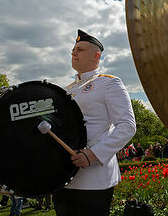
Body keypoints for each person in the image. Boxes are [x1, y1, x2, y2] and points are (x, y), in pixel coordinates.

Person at [52, 29, 136, 216]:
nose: (73, 53)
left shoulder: (109, 83)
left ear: (96, 56)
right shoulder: (66, 90)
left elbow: (127, 126)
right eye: (73, 49)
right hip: (64, 177)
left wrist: (93, 155)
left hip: (93, 178)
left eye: (80, 49)